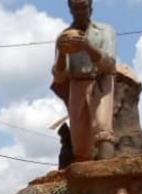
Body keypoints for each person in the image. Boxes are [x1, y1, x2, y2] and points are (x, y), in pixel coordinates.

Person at [51, 0, 117, 162]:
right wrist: (62, 52)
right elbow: (59, 75)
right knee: (79, 139)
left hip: (100, 80)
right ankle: (84, 183)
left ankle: (108, 176)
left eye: (84, 8)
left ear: (91, 8)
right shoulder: (64, 36)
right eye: (76, 8)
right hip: (77, 84)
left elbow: (109, 63)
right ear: (70, 10)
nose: (80, 12)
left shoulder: (104, 31)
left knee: (103, 130)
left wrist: (87, 47)